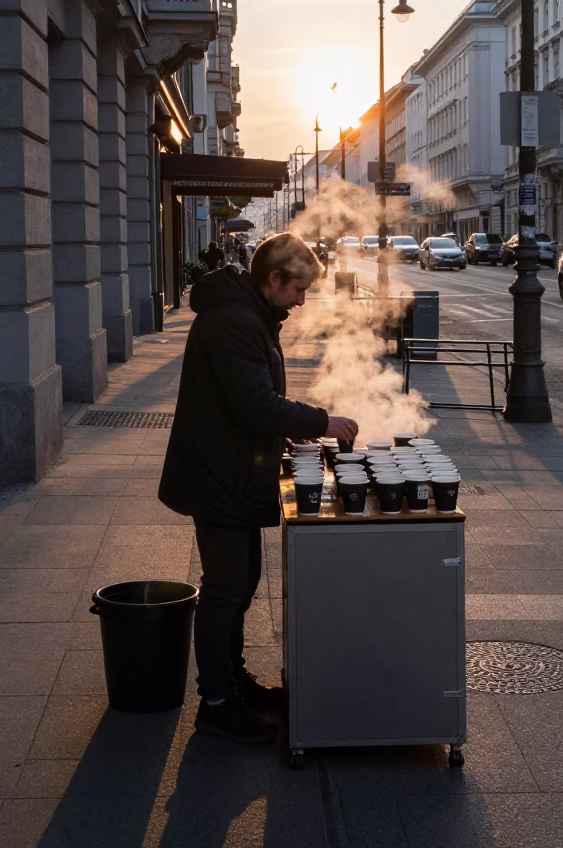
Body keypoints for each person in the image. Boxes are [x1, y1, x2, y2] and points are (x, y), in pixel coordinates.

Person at [159, 233, 358, 744]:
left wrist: (285, 427)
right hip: (218, 474)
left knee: (242, 581)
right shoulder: (235, 322)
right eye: (297, 289)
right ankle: (218, 702)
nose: (301, 301)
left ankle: (234, 679)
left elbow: (252, 399)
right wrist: (320, 421)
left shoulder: (250, 315)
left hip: (233, 469)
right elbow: (254, 404)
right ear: (272, 280)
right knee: (225, 587)